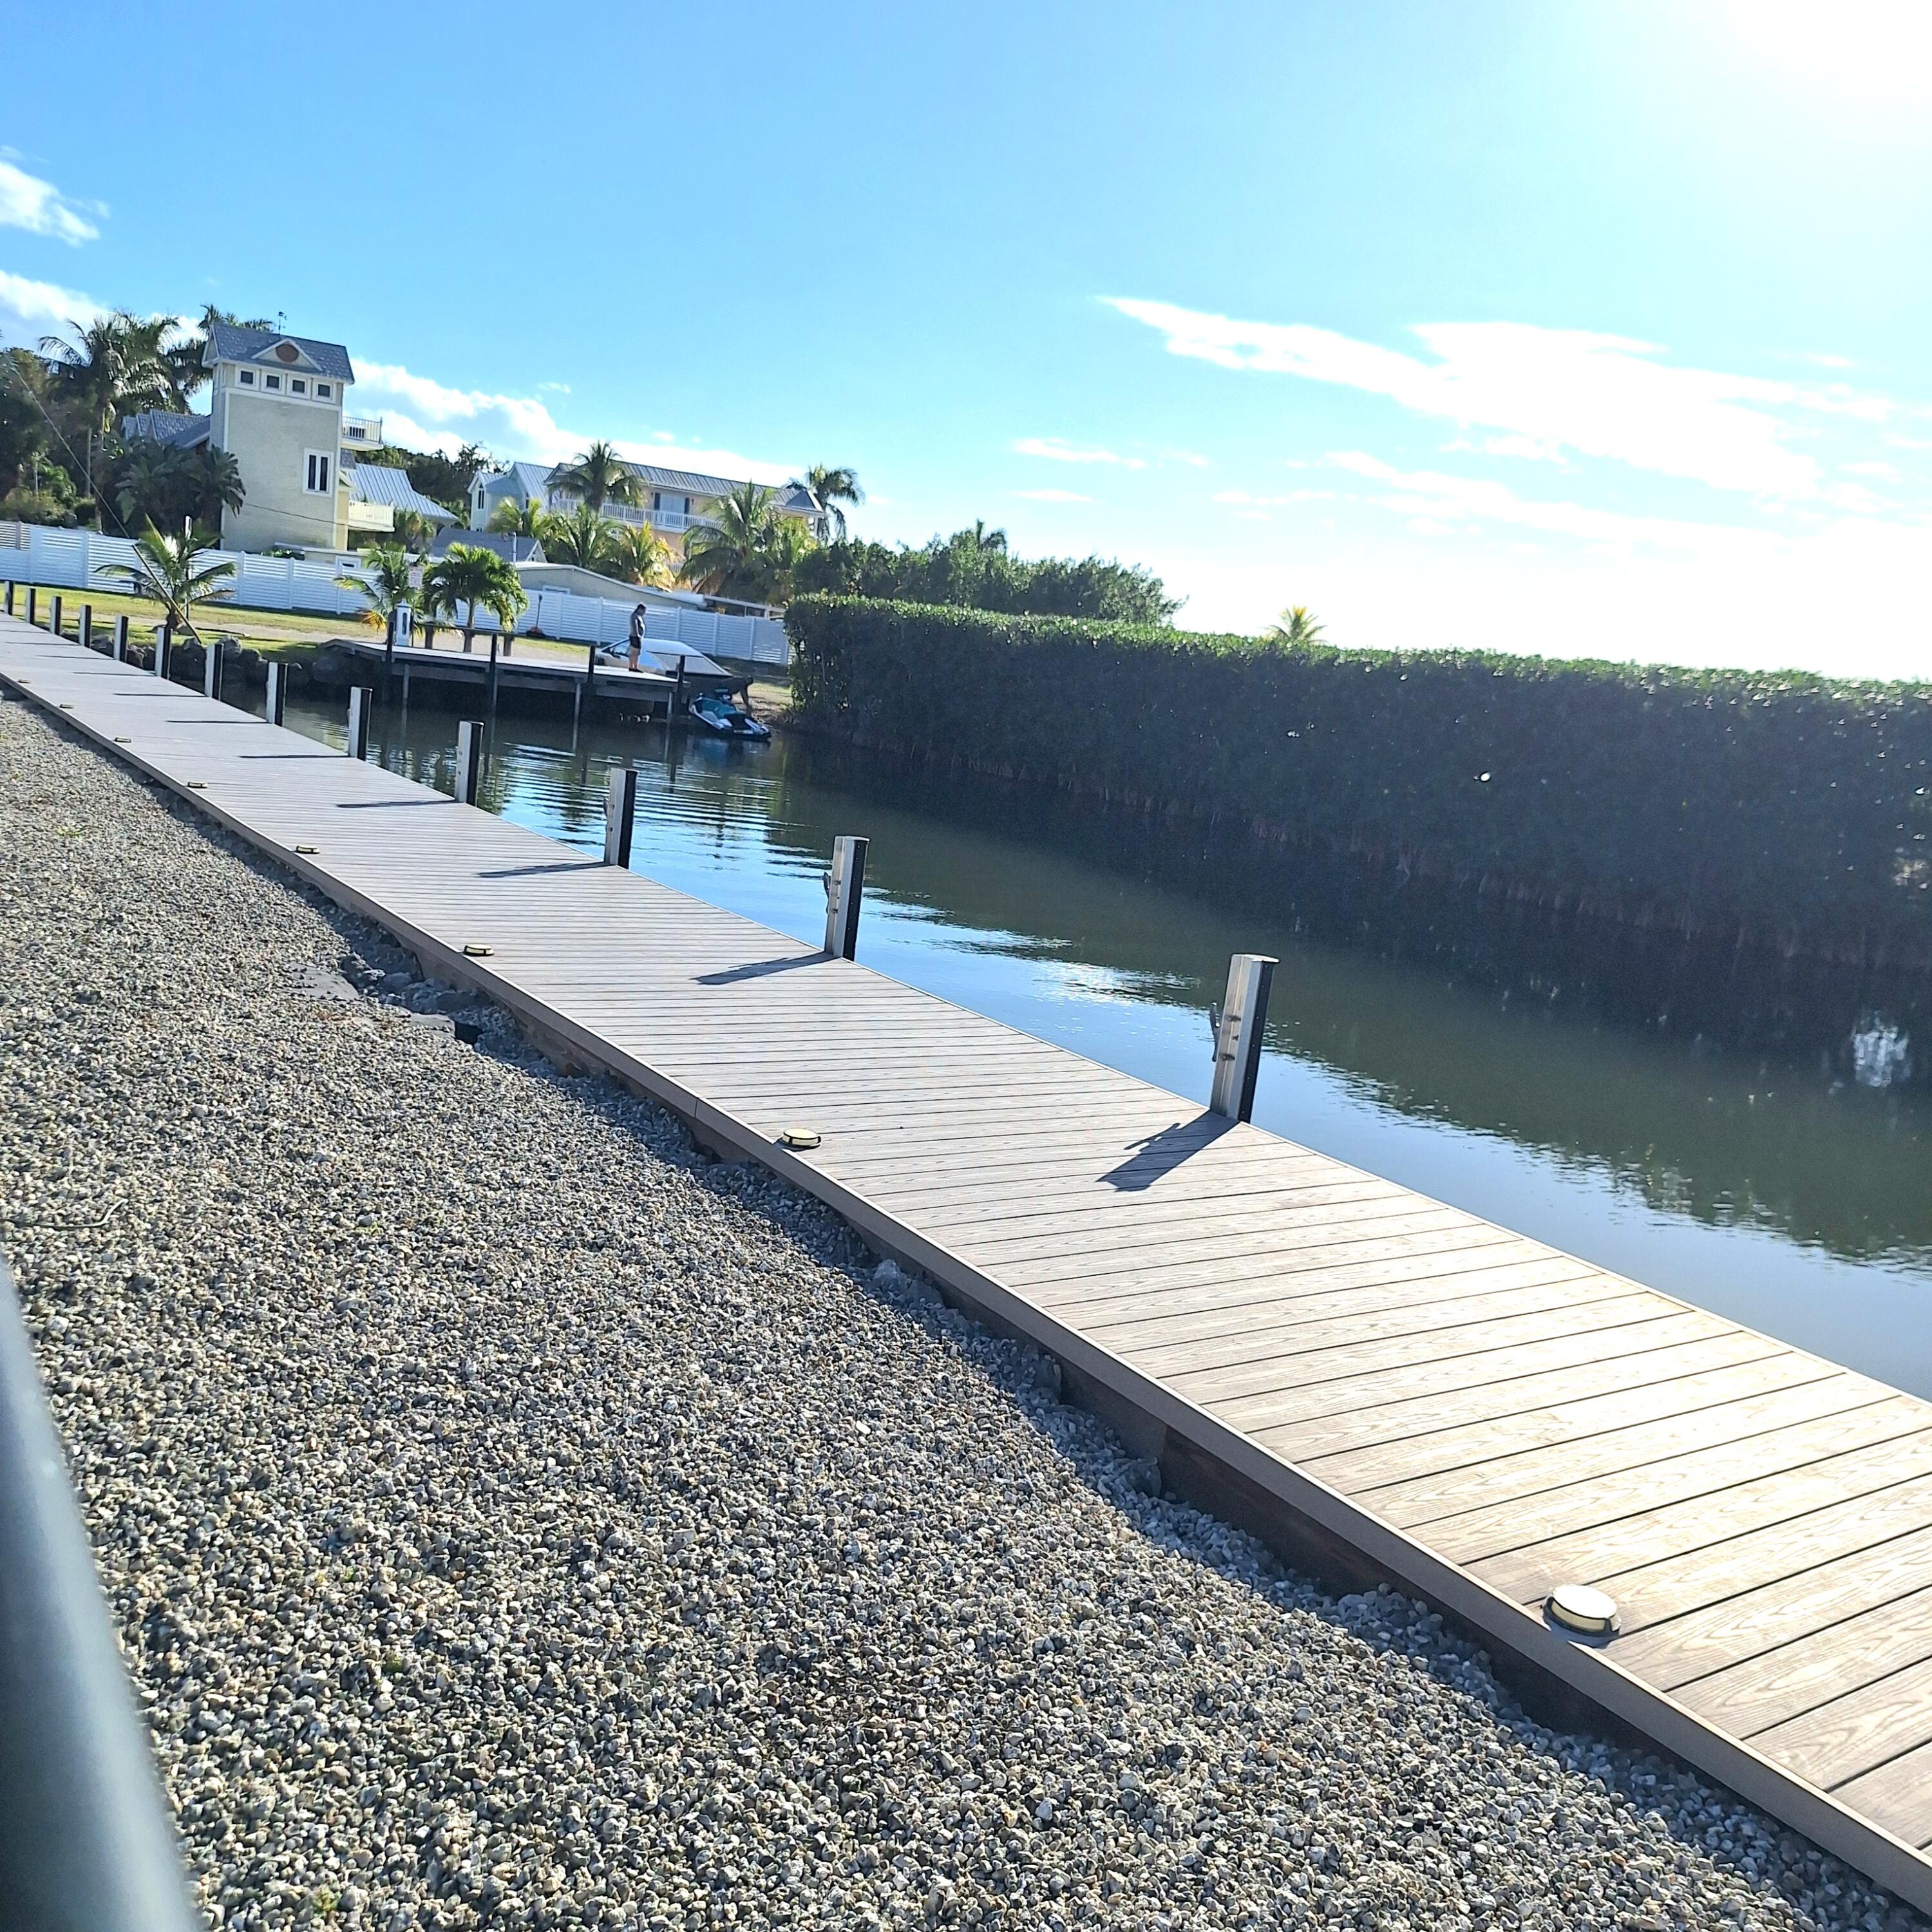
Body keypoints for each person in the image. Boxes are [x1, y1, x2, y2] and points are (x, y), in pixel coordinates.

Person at [627, 603, 646, 672]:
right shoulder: (634, 616)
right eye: (643, 611)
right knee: (635, 652)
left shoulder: (638, 616)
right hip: (635, 636)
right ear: (640, 609)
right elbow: (635, 625)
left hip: (638, 636)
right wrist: (637, 634)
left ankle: (635, 666)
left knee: (637, 652)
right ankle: (632, 667)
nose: (644, 613)